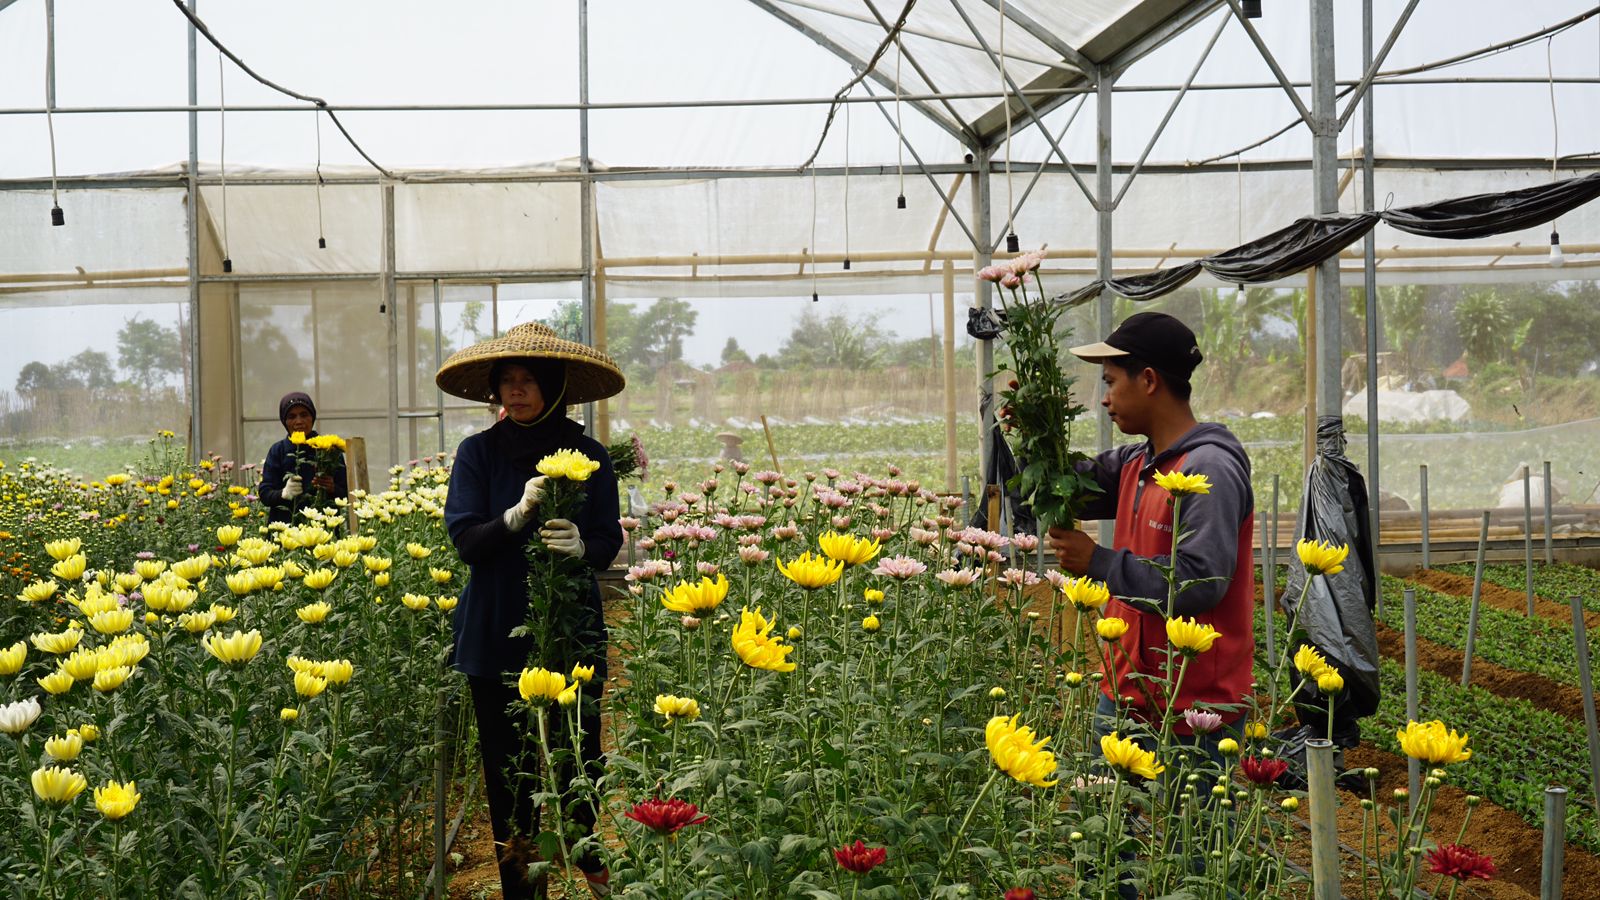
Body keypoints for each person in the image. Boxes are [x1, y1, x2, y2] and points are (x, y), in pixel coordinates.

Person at [437, 323, 625, 900]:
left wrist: (584, 548)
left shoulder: (588, 456)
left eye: (527, 381)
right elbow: (466, 541)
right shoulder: (478, 453)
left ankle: (590, 860)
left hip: (568, 629)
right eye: (506, 382)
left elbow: (607, 536)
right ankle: (522, 887)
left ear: (553, 387)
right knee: (507, 765)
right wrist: (515, 516)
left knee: (576, 751)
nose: (515, 391)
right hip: (495, 627)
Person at [1047, 312, 1256, 759]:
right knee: (1104, 822)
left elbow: (1200, 582)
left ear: (1147, 380)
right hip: (1124, 693)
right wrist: (1033, 433)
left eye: (1110, 382)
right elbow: (1057, 485)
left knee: (1193, 830)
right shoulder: (1135, 463)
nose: (1104, 399)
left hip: (1195, 709)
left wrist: (1098, 563)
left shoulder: (1209, 469)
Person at [259, 391, 348, 524]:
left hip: (323, 529)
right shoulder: (278, 451)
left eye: (304, 415)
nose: (299, 421)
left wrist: (332, 488)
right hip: (285, 531)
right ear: (284, 421)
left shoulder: (330, 450)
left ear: (312, 417)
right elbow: (265, 494)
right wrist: (283, 493)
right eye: (292, 416)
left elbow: (348, 493)